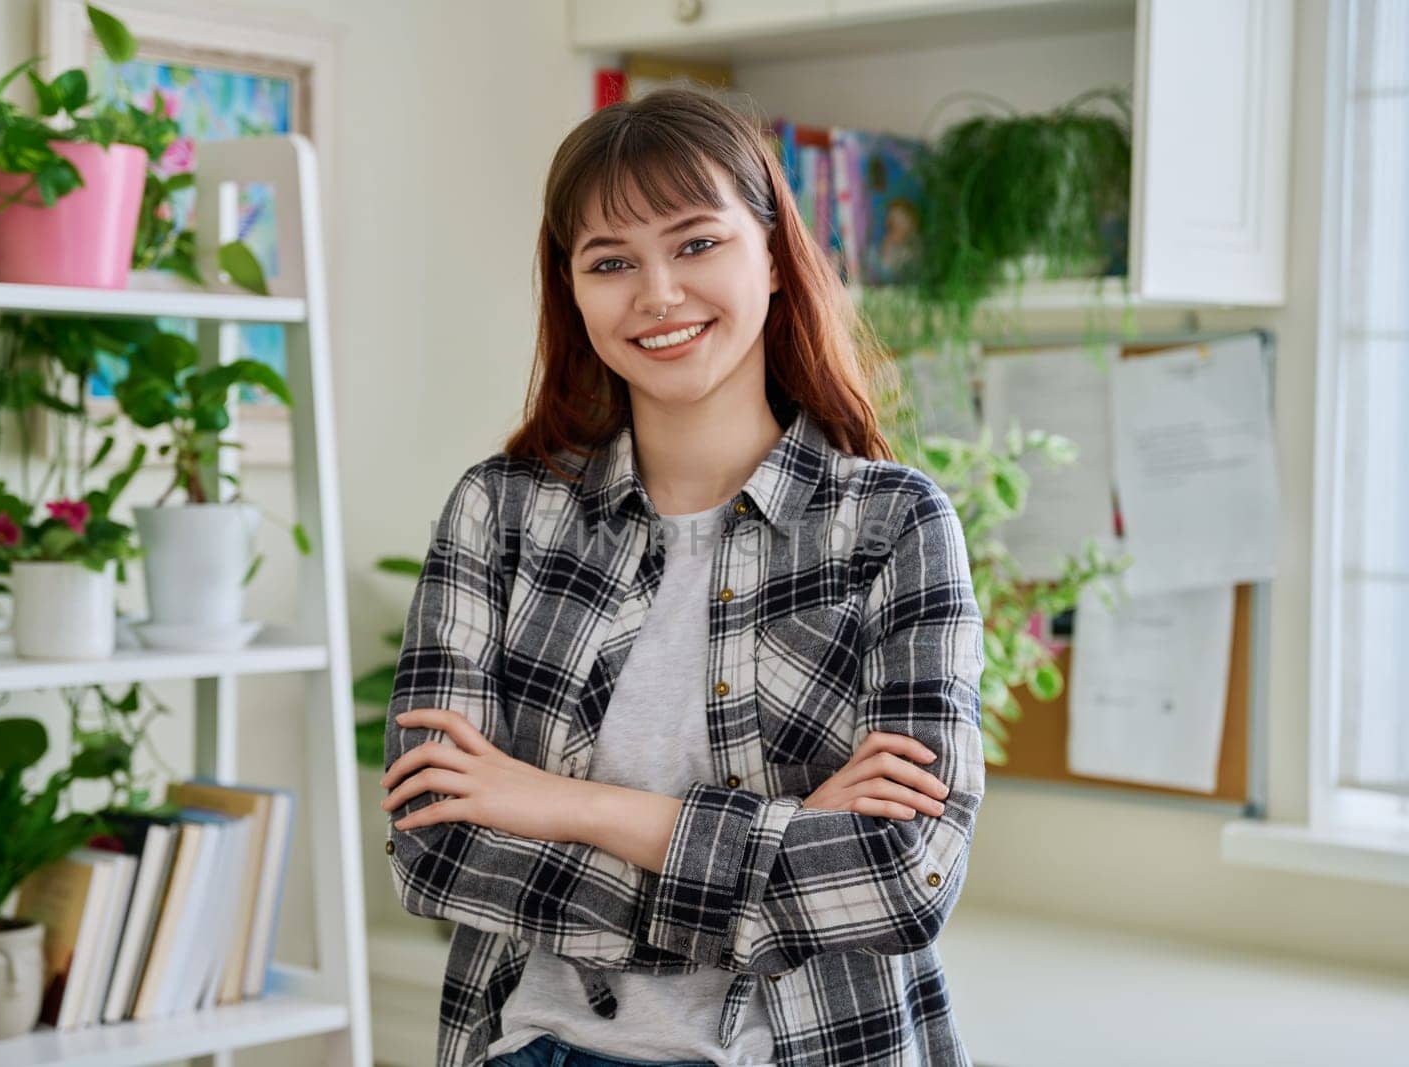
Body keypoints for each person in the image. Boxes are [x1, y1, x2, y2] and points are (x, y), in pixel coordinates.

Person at [381, 87, 985, 1067]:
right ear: (570, 291)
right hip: (541, 1046)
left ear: (778, 258)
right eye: (611, 262)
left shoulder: (892, 523)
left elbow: (901, 877)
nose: (656, 293)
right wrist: (787, 850)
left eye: (696, 243)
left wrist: (561, 804)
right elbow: (436, 847)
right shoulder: (498, 513)